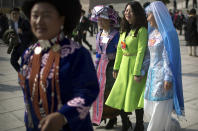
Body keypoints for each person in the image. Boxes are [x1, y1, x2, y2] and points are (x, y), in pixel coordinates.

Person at [20, 0, 99, 130]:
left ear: (62, 19)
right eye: (35, 15)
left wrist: (63, 116)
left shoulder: (77, 53)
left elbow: (88, 91)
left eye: (46, 15)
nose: (39, 21)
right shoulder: (28, 54)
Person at [105, 1, 148, 131]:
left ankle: (139, 124)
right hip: (123, 66)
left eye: (130, 11)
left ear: (137, 13)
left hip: (135, 67)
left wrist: (137, 72)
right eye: (126, 10)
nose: (127, 13)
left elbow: (141, 51)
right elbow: (119, 50)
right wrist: (116, 67)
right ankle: (125, 122)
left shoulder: (142, 30)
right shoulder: (124, 30)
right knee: (121, 96)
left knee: (135, 96)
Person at [144, 1, 184, 131]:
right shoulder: (153, 33)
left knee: (159, 107)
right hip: (151, 76)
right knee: (149, 106)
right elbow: (149, 56)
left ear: (156, 15)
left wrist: (168, 77)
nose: (147, 18)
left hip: (163, 76)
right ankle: (171, 127)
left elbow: (170, 56)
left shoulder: (168, 33)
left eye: (149, 15)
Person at [90, 5, 120, 129]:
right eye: (98, 20)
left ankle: (113, 118)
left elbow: (120, 52)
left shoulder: (116, 34)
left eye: (102, 20)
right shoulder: (99, 34)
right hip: (101, 68)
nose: (99, 22)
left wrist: (117, 68)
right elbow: (98, 52)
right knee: (99, 93)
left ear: (109, 20)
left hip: (111, 67)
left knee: (110, 93)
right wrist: (95, 67)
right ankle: (100, 116)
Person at [6, 7, 33, 72]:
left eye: (16, 14)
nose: (14, 15)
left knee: (25, 62)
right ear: (10, 15)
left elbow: (31, 32)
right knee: (13, 61)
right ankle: (21, 73)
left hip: (24, 46)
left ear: (19, 14)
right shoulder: (11, 23)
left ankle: (26, 76)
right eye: (13, 14)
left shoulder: (24, 22)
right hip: (16, 45)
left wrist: (22, 32)